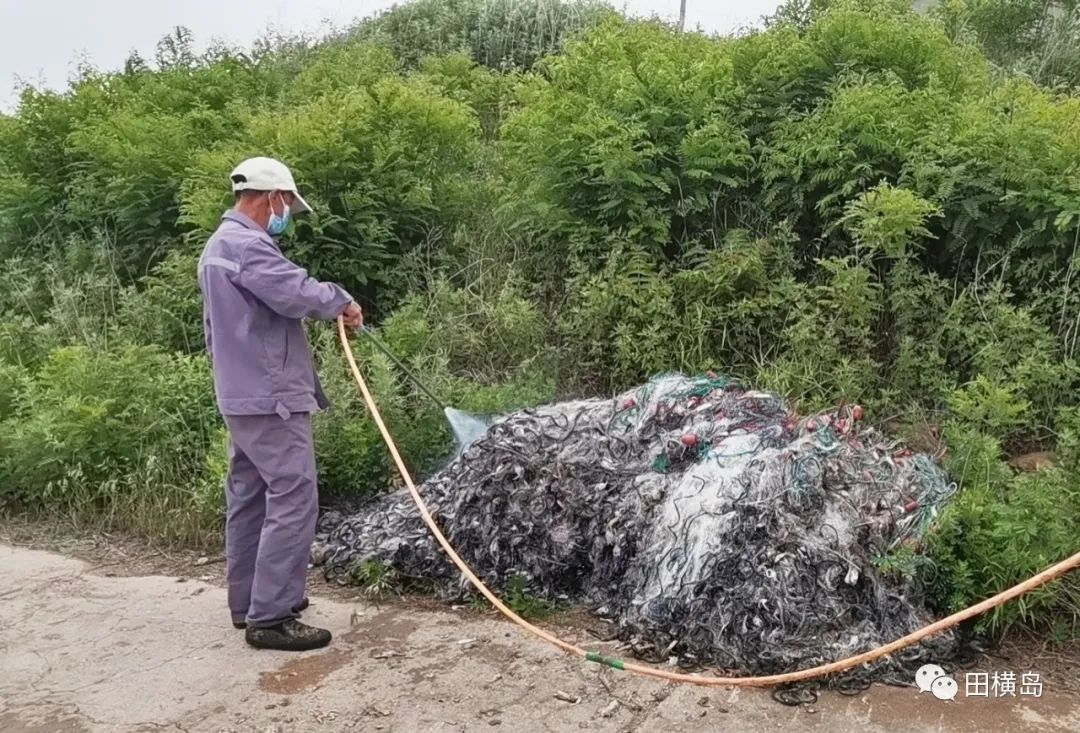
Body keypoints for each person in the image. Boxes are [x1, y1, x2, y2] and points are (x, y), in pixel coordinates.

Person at [197, 156, 362, 651]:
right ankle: (271, 617)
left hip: (239, 393)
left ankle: (248, 602)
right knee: (294, 495)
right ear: (272, 197)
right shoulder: (249, 246)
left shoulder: (216, 247)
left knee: (249, 497)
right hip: (271, 397)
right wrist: (341, 301)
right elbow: (293, 292)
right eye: (286, 203)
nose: (286, 212)